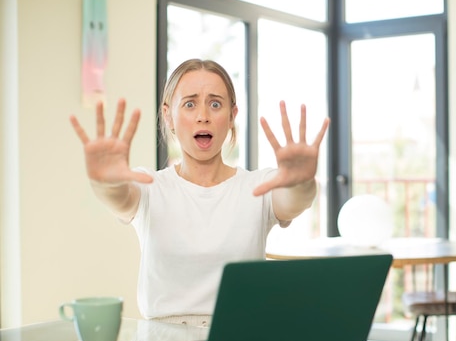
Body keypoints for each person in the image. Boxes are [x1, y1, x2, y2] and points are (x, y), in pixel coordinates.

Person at [70, 59, 330, 327]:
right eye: (190, 104)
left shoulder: (257, 186)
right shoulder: (150, 186)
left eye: (215, 104)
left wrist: (301, 181)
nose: (203, 115)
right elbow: (119, 197)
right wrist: (105, 182)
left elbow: (294, 200)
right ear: (168, 116)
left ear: (231, 117)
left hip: (243, 340)